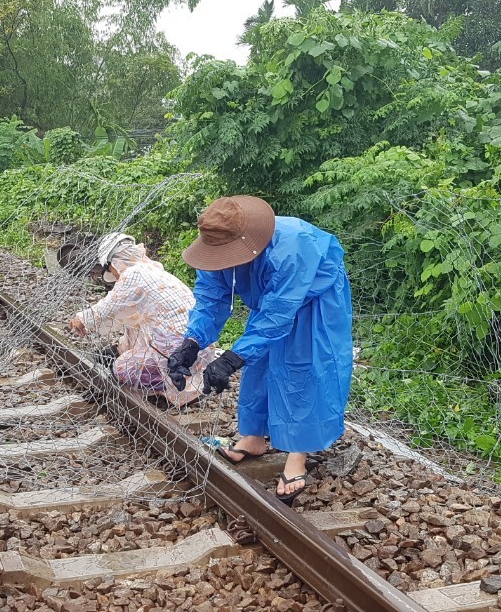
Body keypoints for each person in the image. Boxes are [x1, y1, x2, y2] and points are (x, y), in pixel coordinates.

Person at [166, 196, 353, 504]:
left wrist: (231, 359)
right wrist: (191, 344)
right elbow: (211, 299)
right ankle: (254, 438)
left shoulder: (292, 246)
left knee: (300, 368)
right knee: (260, 365)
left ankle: (297, 454)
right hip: (272, 302)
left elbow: (279, 312)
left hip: (314, 298)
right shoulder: (215, 246)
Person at [69, 233, 210, 407]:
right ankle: (180, 379)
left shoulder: (133, 274)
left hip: (176, 352)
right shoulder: (153, 270)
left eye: (109, 269)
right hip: (196, 347)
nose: (113, 275)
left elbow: (107, 307)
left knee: (121, 368)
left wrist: (82, 319)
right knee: (128, 336)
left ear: (115, 262)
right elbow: (126, 316)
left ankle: (177, 389)